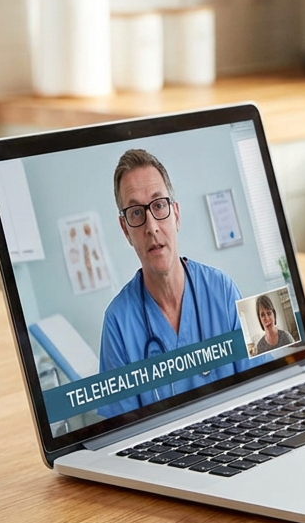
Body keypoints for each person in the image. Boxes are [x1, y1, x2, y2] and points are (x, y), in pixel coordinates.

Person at [98, 148, 254, 418]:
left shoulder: (224, 292)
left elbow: (262, 392)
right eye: (136, 213)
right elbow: (119, 433)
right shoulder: (117, 323)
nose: (151, 227)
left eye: (159, 206)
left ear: (176, 214)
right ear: (125, 230)